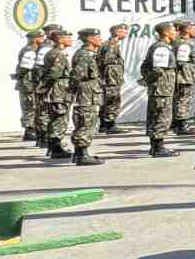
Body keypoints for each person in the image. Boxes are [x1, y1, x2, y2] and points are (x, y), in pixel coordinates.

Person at [141, 21, 180, 159]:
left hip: (161, 88)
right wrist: (150, 81)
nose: (176, 32)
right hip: (162, 89)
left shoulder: (161, 47)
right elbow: (157, 70)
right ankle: (158, 148)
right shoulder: (162, 48)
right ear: (165, 32)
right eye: (173, 30)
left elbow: (145, 67)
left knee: (157, 116)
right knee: (161, 117)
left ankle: (155, 147)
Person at [69, 28, 106, 167]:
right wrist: (73, 92)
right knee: (85, 121)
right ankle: (81, 155)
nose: (100, 39)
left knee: (88, 121)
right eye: (98, 36)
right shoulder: (85, 55)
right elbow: (76, 76)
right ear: (90, 39)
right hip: (86, 93)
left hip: (90, 92)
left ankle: (80, 153)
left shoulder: (90, 54)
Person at [39, 26, 75, 162]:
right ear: (60, 40)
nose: (71, 40)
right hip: (59, 90)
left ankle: (54, 146)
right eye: (68, 37)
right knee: (59, 118)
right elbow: (54, 74)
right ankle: (56, 148)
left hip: (58, 89)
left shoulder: (54, 52)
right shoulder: (58, 54)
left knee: (57, 118)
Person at [13, 29, 44, 142]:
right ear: (35, 39)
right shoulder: (29, 50)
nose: (43, 39)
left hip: (31, 82)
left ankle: (32, 129)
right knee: (29, 106)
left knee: (32, 106)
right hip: (28, 83)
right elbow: (24, 68)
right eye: (41, 37)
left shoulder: (34, 50)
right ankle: (29, 130)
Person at [98, 24, 128, 134]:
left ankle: (104, 125)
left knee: (107, 101)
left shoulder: (112, 44)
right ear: (116, 32)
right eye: (123, 31)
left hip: (111, 78)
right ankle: (109, 124)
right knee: (112, 100)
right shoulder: (111, 45)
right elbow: (107, 62)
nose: (125, 33)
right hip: (111, 79)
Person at [172, 22, 195, 136]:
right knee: (183, 100)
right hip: (184, 76)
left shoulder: (180, 42)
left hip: (183, 75)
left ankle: (177, 123)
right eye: (194, 29)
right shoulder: (184, 44)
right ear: (187, 30)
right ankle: (181, 126)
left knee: (180, 99)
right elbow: (181, 62)